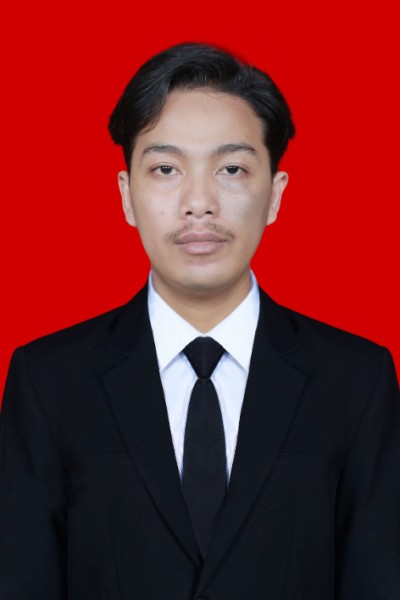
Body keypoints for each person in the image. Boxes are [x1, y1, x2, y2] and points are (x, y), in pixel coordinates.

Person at [0, 42, 399, 600]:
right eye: (166, 169)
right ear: (127, 196)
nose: (199, 203)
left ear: (275, 195)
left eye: (231, 169)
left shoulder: (357, 381)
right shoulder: (48, 382)